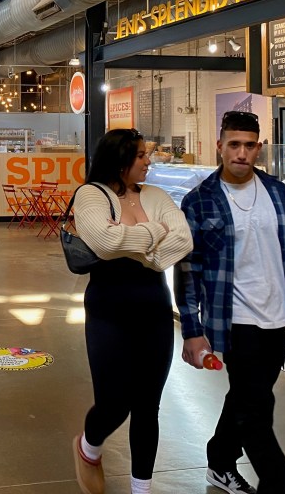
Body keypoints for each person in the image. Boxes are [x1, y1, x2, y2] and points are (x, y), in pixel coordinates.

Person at [176, 110, 285, 494]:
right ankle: (276, 484)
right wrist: (192, 332)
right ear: (219, 146)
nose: (242, 153)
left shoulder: (277, 192)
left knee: (248, 399)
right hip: (235, 321)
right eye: (234, 144)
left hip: (277, 319)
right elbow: (188, 271)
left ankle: (219, 461)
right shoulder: (200, 201)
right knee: (257, 411)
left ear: (259, 148)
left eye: (249, 145)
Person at [70, 129, 194, 494]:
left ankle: (142, 489)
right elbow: (106, 244)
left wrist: (144, 252)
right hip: (108, 310)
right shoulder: (91, 195)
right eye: (141, 155)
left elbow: (183, 238)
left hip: (154, 308)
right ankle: (88, 446)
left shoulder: (156, 195)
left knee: (147, 406)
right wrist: (155, 233)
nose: (148, 161)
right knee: (114, 402)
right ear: (120, 158)